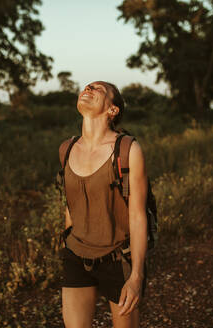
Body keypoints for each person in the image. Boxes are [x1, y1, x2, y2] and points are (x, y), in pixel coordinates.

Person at [58, 81, 148, 327]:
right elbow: (70, 204)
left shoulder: (128, 150)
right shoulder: (66, 149)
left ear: (113, 110)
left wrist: (136, 276)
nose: (88, 88)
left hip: (117, 258)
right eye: (86, 86)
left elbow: (138, 217)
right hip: (76, 255)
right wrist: (67, 243)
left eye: (97, 89)